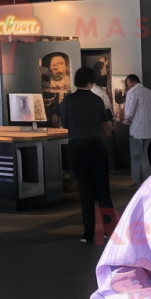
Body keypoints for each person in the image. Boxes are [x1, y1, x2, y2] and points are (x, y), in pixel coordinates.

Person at [59, 67, 116, 244]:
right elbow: (107, 127)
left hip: (77, 147)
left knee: (85, 192)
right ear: (91, 81)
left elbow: (65, 124)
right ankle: (109, 230)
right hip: (96, 146)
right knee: (103, 191)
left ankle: (88, 233)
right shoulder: (98, 100)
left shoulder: (67, 101)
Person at [122, 73, 151, 188]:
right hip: (149, 129)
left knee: (135, 156)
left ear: (131, 81)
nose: (127, 87)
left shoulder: (133, 92)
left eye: (127, 84)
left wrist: (127, 119)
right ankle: (148, 181)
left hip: (136, 129)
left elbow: (131, 108)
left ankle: (137, 181)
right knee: (145, 155)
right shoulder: (150, 92)